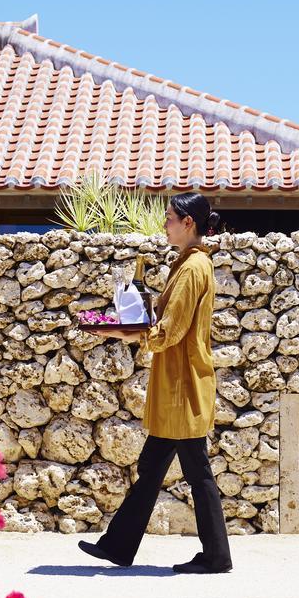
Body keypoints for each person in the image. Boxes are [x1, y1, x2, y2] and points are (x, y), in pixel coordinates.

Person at [77, 193, 233, 574]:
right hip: (179, 384)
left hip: (183, 386)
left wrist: (135, 336)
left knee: (196, 472)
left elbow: (172, 329)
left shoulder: (194, 267)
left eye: (169, 219)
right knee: (155, 466)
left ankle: (215, 556)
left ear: (188, 223)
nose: (164, 225)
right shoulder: (189, 264)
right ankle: (118, 545)